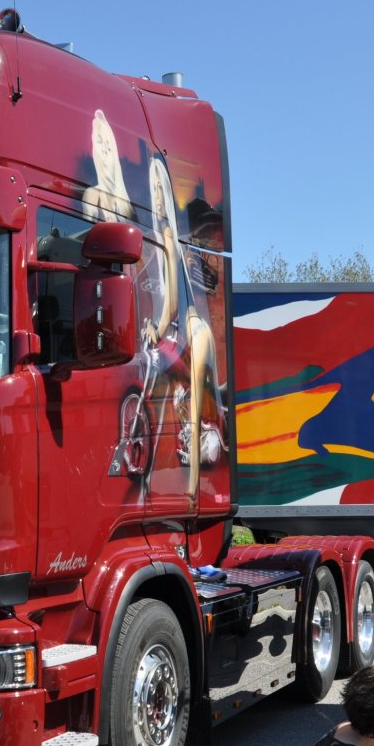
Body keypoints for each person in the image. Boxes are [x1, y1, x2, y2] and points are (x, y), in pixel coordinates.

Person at [143, 156, 225, 506]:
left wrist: (157, 327)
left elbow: (172, 302)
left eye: (160, 187)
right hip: (185, 332)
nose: (157, 196)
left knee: (188, 412)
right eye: (152, 188)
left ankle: (190, 490)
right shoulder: (161, 237)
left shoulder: (167, 237)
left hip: (192, 332)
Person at [81, 109, 133, 221]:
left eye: (108, 146)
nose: (104, 151)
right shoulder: (92, 196)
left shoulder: (125, 206)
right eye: (99, 142)